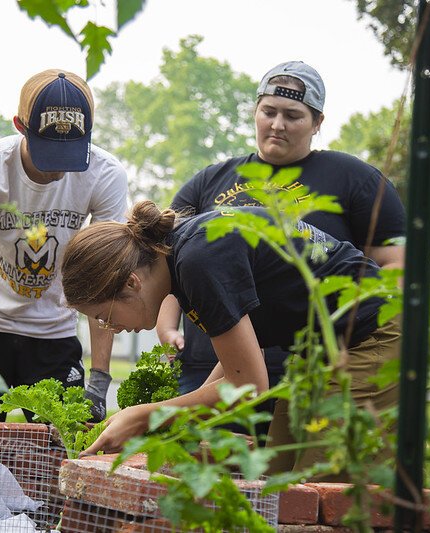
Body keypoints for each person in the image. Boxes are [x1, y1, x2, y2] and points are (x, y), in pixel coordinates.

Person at [61, 201, 400, 478]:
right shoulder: (184, 259)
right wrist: (170, 418)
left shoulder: (198, 262)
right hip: (322, 347)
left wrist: (144, 415)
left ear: (132, 284)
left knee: (320, 483)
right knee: (278, 476)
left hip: (374, 332)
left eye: (104, 317)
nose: (112, 328)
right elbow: (234, 369)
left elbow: (249, 387)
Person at [156, 60, 405, 395]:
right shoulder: (209, 180)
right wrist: (166, 328)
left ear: (318, 122)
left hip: (314, 359)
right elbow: (168, 259)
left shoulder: (353, 178)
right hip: (212, 363)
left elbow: (396, 267)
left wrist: (350, 331)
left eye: (293, 115)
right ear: (254, 111)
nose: (277, 125)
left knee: (301, 447)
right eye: (268, 111)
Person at [0, 69, 128, 422]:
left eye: (70, 154)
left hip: (55, 331)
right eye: (50, 153)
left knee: (66, 448)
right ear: (20, 125)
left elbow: (104, 282)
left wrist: (99, 380)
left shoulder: (105, 175)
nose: (60, 171)